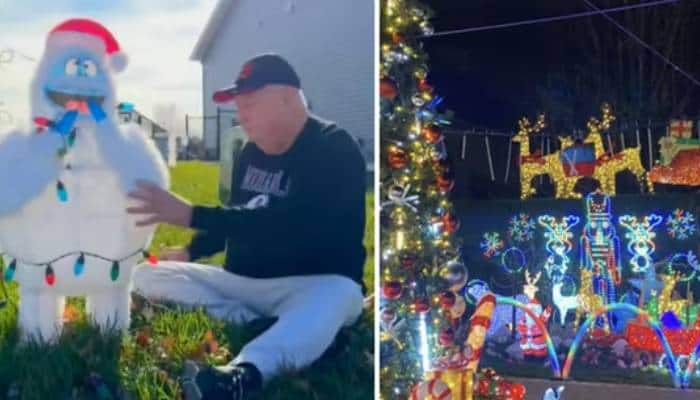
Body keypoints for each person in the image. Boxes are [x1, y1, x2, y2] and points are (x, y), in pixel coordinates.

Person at [127, 53, 367, 400]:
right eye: (238, 106)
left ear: (286, 98)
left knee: (338, 298)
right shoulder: (249, 153)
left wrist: (191, 214)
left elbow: (290, 223)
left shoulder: (333, 147)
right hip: (242, 282)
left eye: (250, 103)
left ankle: (243, 375)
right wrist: (192, 250)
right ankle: (254, 322)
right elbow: (240, 215)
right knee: (146, 274)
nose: (241, 115)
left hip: (312, 283)